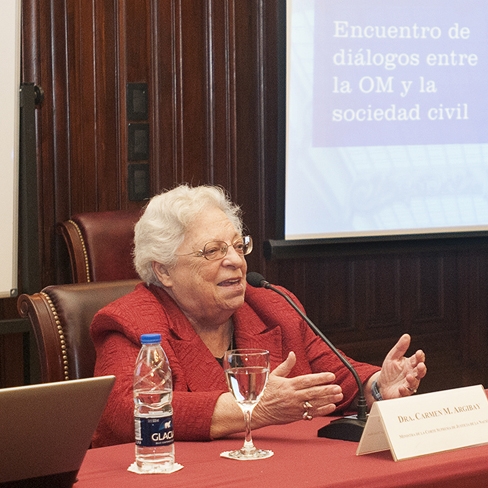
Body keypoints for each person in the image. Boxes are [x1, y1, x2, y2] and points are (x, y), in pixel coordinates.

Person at [90, 184, 426, 447]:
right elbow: (126, 411)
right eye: (213, 251)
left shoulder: (271, 306)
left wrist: (377, 385)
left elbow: (333, 377)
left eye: (238, 246)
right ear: (163, 271)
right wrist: (252, 409)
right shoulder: (131, 322)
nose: (235, 261)